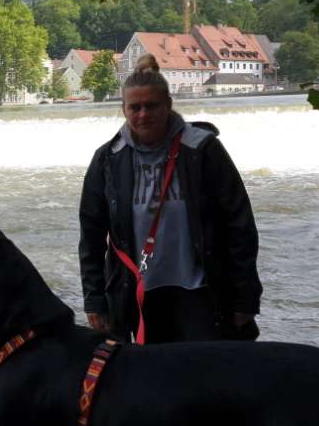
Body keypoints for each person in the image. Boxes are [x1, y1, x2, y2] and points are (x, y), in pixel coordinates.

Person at [78, 54, 262, 344]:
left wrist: (245, 298)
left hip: (199, 295)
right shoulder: (108, 159)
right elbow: (91, 236)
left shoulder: (202, 150)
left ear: (167, 105)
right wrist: (95, 301)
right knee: (146, 383)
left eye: (151, 106)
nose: (142, 115)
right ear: (123, 110)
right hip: (135, 296)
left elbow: (239, 226)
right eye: (134, 107)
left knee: (204, 381)